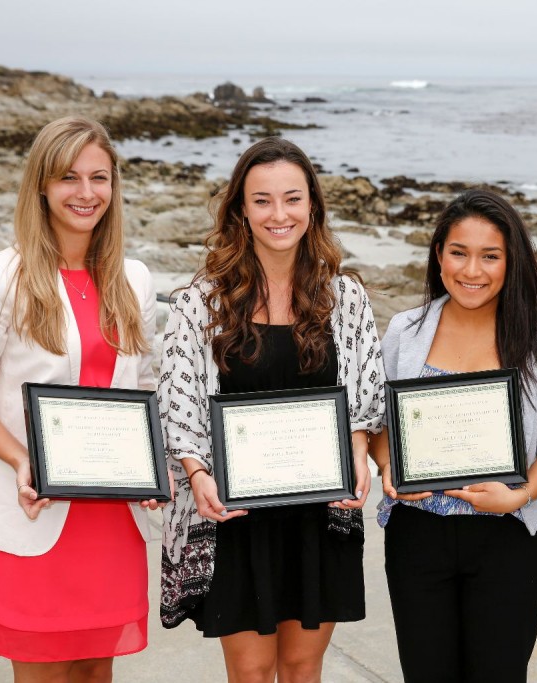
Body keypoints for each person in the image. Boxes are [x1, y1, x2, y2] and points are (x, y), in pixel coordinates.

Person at [158, 137, 385, 683]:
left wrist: (357, 454)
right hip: (238, 519)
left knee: (303, 668)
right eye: (262, 200)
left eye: (292, 198)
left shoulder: (345, 297)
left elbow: (366, 396)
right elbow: (177, 404)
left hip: (320, 515)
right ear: (240, 208)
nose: (278, 214)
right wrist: (197, 474)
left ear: (312, 206)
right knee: (252, 672)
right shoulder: (201, 304)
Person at [0, 116, 160, 682]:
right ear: (41, 184)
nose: (86, 194)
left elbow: (141, 393)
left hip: (110, 517)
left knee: (95, 670)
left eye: (99, 178)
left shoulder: (132, 280)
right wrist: (22, 460)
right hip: (30, 507)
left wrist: (153, 471)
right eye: (69, 178)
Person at [369, 189, 537, 682]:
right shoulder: (405, 331)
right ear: (439, 254)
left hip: (507, 537)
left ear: (512, 262)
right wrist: (390, 466)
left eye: (490, 256)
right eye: (459, 252)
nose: (472, 271)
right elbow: (379, 423)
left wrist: (520, 496)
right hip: (417, 534)